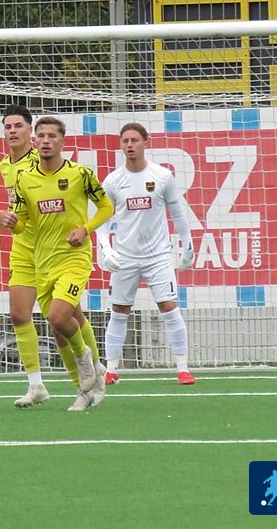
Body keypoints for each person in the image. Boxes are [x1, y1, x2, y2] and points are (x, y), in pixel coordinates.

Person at [0, 105, 105, 408]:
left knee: (64, 321)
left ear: (30, 132)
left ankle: (94, 372)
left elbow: (87, 204)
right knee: (19, 314)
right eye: (8, 126)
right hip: (25, 247)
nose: (13, 131)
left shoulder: (45, 161)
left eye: (18, 126)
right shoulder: (6, 165)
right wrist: (2, 226)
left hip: (57, 250)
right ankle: (37, 384)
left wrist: (84, 229)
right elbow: (21, 211)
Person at [95, 123, 196, 386]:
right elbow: (102, 219)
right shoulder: (113, 181)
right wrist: (106, 248)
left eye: (134, 140)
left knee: (169, 308)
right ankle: (111, 370)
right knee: (119, 310)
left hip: (158, 256)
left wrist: (188, 244)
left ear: (145, 142)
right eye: (125, 141)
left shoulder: (162, 176)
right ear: (121, 145)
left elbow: (178, 213)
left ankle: (183, 369)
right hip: (125, 257)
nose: (130, 145)